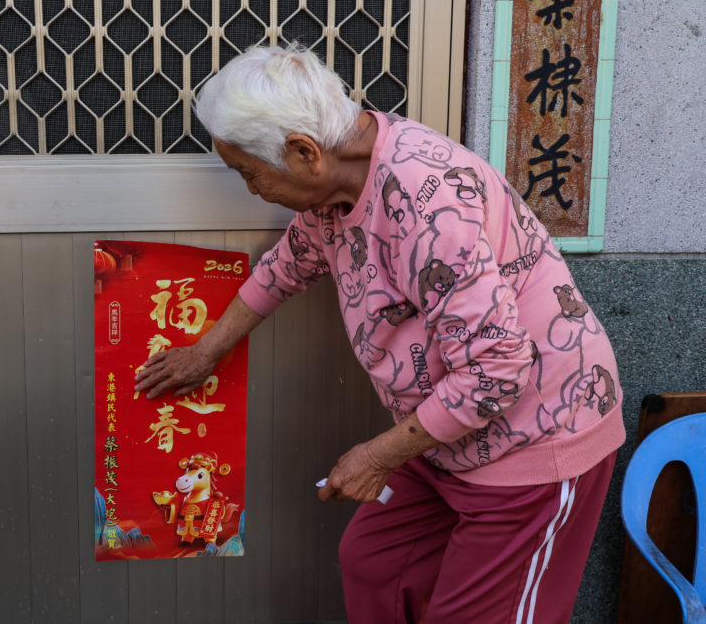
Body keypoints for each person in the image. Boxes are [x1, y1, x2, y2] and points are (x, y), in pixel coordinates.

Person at [134, 43, 624, 623]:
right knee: (376, 562)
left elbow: (496, 373)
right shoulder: (338, 183)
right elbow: (289, 264)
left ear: (303, 152)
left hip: (536, 437)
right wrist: (206, 351)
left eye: (249, 173)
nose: (251, 190)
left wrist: (375, 457)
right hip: (448, 433)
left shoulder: (428, 205)